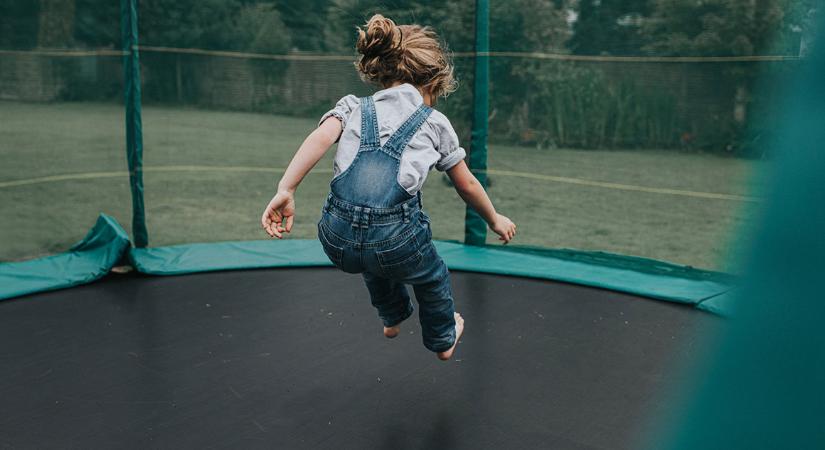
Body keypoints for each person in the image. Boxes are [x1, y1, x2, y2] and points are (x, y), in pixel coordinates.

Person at [261, 14, 516, 361]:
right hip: (396, 241)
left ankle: (393, 317)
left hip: (336, 239)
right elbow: (467, 184)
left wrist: (286, 189)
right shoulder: (435, 123)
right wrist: (493, 218)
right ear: (431, 81)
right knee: (430, 276)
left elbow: (320, 137)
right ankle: (443, 339)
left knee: (371, 257)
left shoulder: (353, 107)